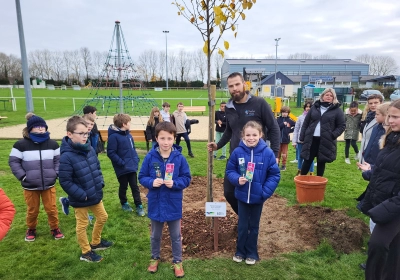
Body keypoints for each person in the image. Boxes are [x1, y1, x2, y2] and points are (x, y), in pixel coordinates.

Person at [207, 72, 280, 215]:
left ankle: (248, 223)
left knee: (253, 194)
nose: (234, 88)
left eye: (237, 84)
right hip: (236, 157)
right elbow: (229, 130)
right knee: (229, 192)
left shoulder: (259, 103)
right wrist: (218, 145)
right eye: (231, 86)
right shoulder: (228, 107)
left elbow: (274, 128)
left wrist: (275, 154)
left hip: (256, 159)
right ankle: (244, 218)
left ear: (244, 85)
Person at [138, 122, 191, 278]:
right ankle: (155, 257)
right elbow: (142, 176)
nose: (166, 142)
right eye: (162, 138)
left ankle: (178, 261)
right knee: (155, 235)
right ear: (156, 138)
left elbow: (187, 178)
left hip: (173, 202)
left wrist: (175, 183)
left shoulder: (179, 158)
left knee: (175, 236)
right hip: (156, 202)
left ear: (174, 138)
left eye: (169, 138)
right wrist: (151, 183)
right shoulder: (150, 157)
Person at [59, 116, 112, 263]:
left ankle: (96, 242)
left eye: (86, 133)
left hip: (95, 193)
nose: (85, 136)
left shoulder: (89, 148)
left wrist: (100, 182)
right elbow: (65, 181)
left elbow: (97, 168)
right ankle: (86, 251)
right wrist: (81, 195)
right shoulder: (66, 157)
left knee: (103, 217)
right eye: (81, 133)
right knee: (82, 225)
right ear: (70, 134)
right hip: (81, 198)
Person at [226, 121, 280, 265]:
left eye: (254, 135)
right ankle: (240, 251)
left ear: (260, 135)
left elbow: (274, 175)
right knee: (243, 225)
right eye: (248, 135)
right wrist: (237, 179)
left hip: (258, 197)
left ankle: (251, 253)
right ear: (243, 135)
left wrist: (264, 192)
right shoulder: (238, 152)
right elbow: (230, 171)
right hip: (242, 196)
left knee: (254, 226)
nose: (251, 138)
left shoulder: (267, 153)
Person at [357, 99, 400, 279]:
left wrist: (384, 209)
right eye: (390, 116)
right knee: (393, 250)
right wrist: (371, 171)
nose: (390, 120)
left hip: (393, 206)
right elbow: (385, 171)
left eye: (396, 117)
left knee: (378, 245)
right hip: (383, 201)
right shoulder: (392, 140)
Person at [9, 113, 64, 242]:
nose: (40, 128)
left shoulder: (53, 144)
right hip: (30, 185)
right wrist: (22, 176)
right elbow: (13, 162)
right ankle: (31, 228)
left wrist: (56, 173)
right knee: (32, 210)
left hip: (49, 184)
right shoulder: (20, 145)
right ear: (30, 129)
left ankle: (55, 228)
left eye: (42, 126)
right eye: (37, 126)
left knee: (51, 209)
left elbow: (59, 160)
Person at [299, 88, 346, 177]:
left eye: (331, 95)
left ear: (334, 98)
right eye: (327, 95)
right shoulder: (314, 107)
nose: (329, 97)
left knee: (321, 161)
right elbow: (306, 123)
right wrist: (302, 136)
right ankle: (301, 180)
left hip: (325, 140)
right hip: (311, 139)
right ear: (323, 96)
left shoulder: (337, 110)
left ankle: (319, 183)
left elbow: (342, 126)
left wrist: (332, 135)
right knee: (307, 160)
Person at [107, 114, 145, 216]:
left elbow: (133, 149)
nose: (130, 124)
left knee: (134, 186)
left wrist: (136, 159)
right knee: (123, 186)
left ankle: (139, 205)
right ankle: (124, 202)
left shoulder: (129, 135)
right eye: (129, 122)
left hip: (131, 166)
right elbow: (111, 153)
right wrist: (121, 163)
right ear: (124, 124)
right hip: (122, 168)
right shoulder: (113, 137)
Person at [359, 94, 383, 164]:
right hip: (365, 152)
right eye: (370, 103)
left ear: (381, 103)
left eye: (376, 103)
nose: (373, 105)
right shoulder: (368, 117)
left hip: (375, 155)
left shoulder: (383, 119)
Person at [292, 101, 314, 176]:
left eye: (309, 107)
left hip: (310, 141)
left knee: (310, 157)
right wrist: (294, 141)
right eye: (306, 107)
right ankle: (299, 170)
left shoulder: (314, 118)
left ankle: (311, 172)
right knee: (300, 156)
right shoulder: (300, 118)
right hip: (300, 141)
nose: (308, 108)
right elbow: (296, 129)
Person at [276, 106, 295, 171]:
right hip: (278, 140)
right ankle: (276, 164)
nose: (284, 114)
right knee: (278, 153)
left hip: (285, 140)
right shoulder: (278, 120)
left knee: (284, 153)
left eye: (286, 112)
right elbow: (276, 128)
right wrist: (282, 124)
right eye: (283, 112)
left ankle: (283, 165)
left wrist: (290, 131)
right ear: (281, 112)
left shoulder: (290, 120)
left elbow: (295, 126)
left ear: (288, 113)